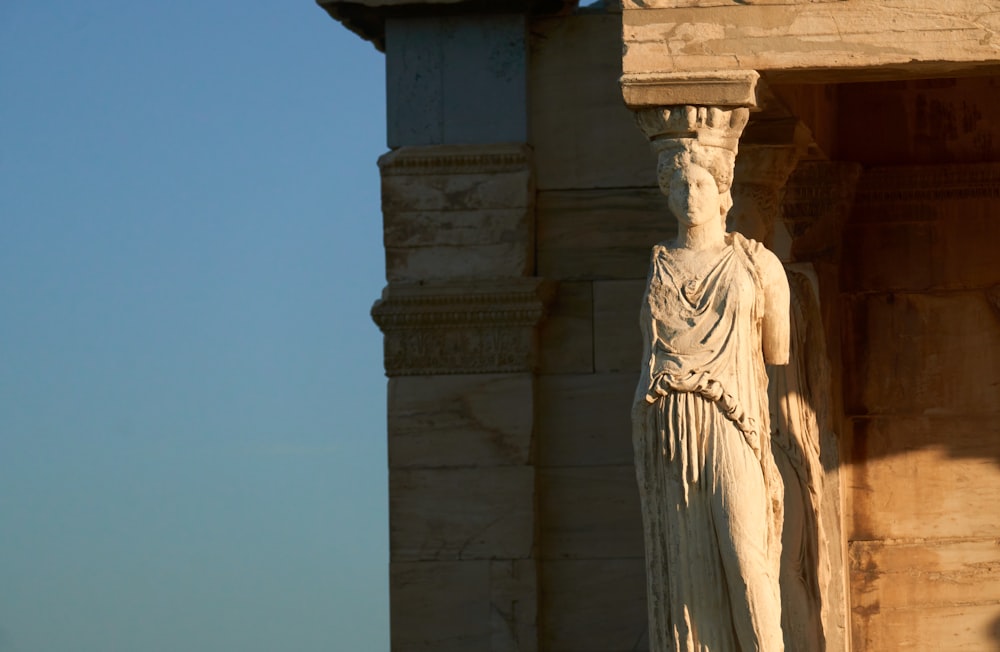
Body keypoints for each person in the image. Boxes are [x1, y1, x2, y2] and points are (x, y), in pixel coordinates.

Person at [632, 141, 790, 652]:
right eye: (677, 184)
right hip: (668, 423)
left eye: (699, 182)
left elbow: (778, 352)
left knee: (748, 556)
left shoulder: (758, 265)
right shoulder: (659, 265)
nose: (688, 194)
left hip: (733, 418)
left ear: (724, 193)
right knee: (685, 572)